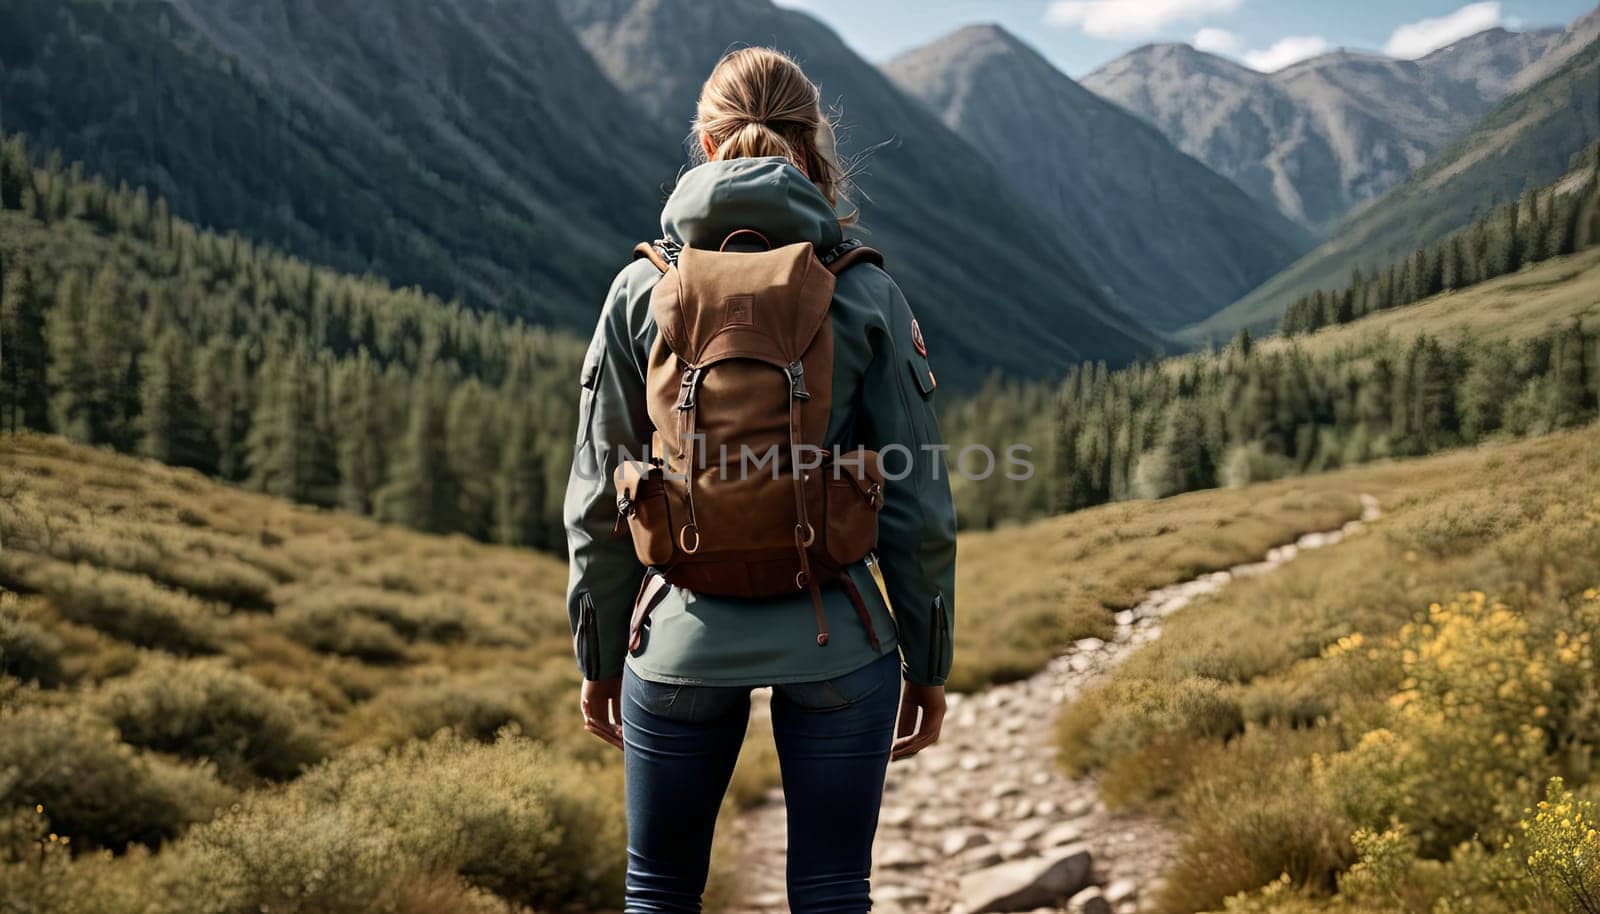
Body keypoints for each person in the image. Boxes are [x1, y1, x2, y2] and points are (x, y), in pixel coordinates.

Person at [564, 46, 957, 914]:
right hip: (843, 640)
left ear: (706, 145)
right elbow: (919, 505)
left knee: (659, 891)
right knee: (829, 889)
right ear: (813, 144)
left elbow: (598, 498)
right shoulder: (860, 291)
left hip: (675, 643)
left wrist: (597, 657)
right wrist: (929, 666)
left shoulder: (642, 287)